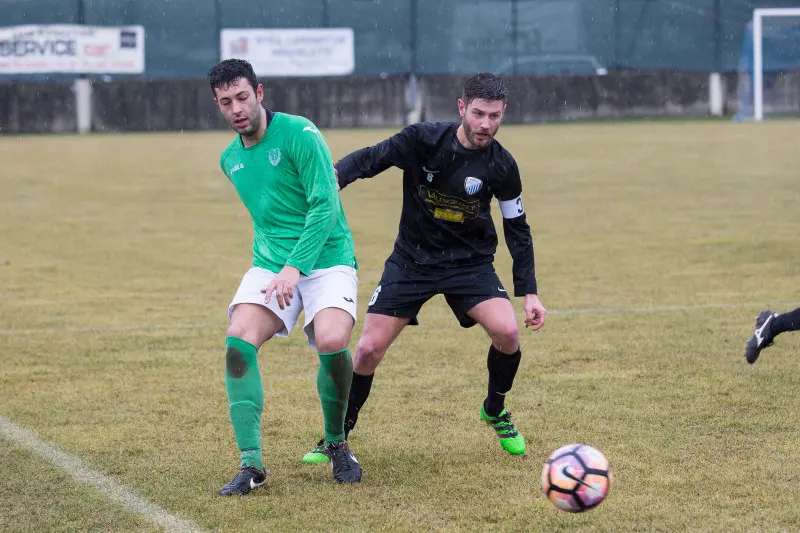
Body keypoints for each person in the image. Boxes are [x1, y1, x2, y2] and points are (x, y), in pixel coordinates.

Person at [303, 72, 546, 464]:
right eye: (479, 114)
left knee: (508, 332)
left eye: (495, 116)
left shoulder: (502, 165)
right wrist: (333, 178)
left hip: (470, 265)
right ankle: (337, 437)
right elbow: (371, 158)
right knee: (366, 350)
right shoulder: (422, 140)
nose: (486, 125)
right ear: (462, 108)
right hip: (412, 261)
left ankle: (494, 409)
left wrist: (529, 292)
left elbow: (517, 228)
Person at [208, 58, 362, 494]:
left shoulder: (300, 133)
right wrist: (279, 267)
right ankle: (251, 465)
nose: (236, 108)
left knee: (332, 340)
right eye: (225, 102)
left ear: (259, 93)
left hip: (328, 256)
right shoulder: (230, 159)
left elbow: (325, 204)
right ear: (217, 106)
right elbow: (270, 217)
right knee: (238, 339)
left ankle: (337, 443)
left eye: (242, 97)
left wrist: (296, 267)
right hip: (273, 265)